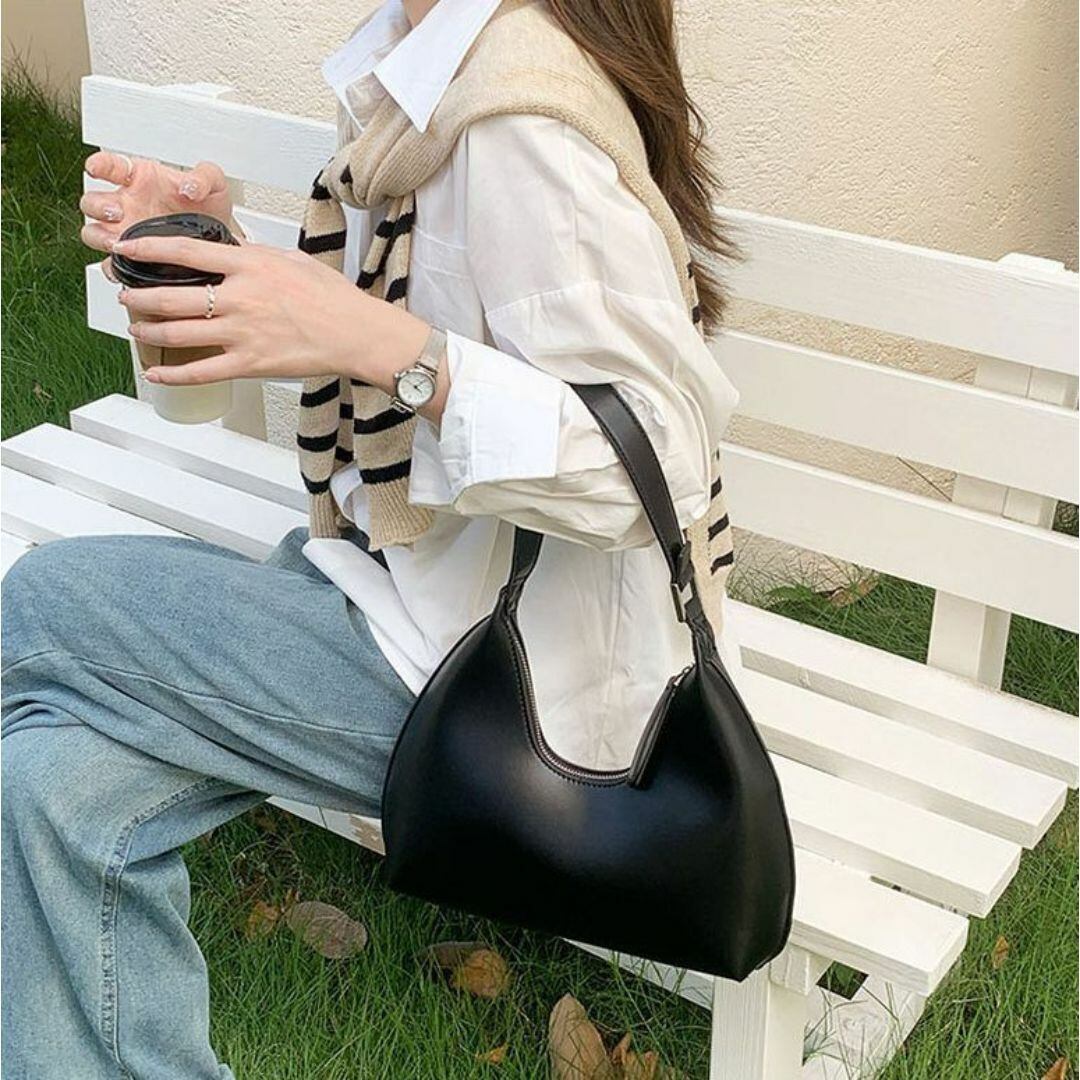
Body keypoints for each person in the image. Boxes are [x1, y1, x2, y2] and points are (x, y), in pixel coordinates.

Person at [1, 0, 746, 1075]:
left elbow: (658, 467)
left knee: (39, 605)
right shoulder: (427, 68)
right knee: (45, 786)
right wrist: (223, 254)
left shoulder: (520, 117)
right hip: (398, 591)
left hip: (513, 693)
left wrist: (378, 344)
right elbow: (423, 316)